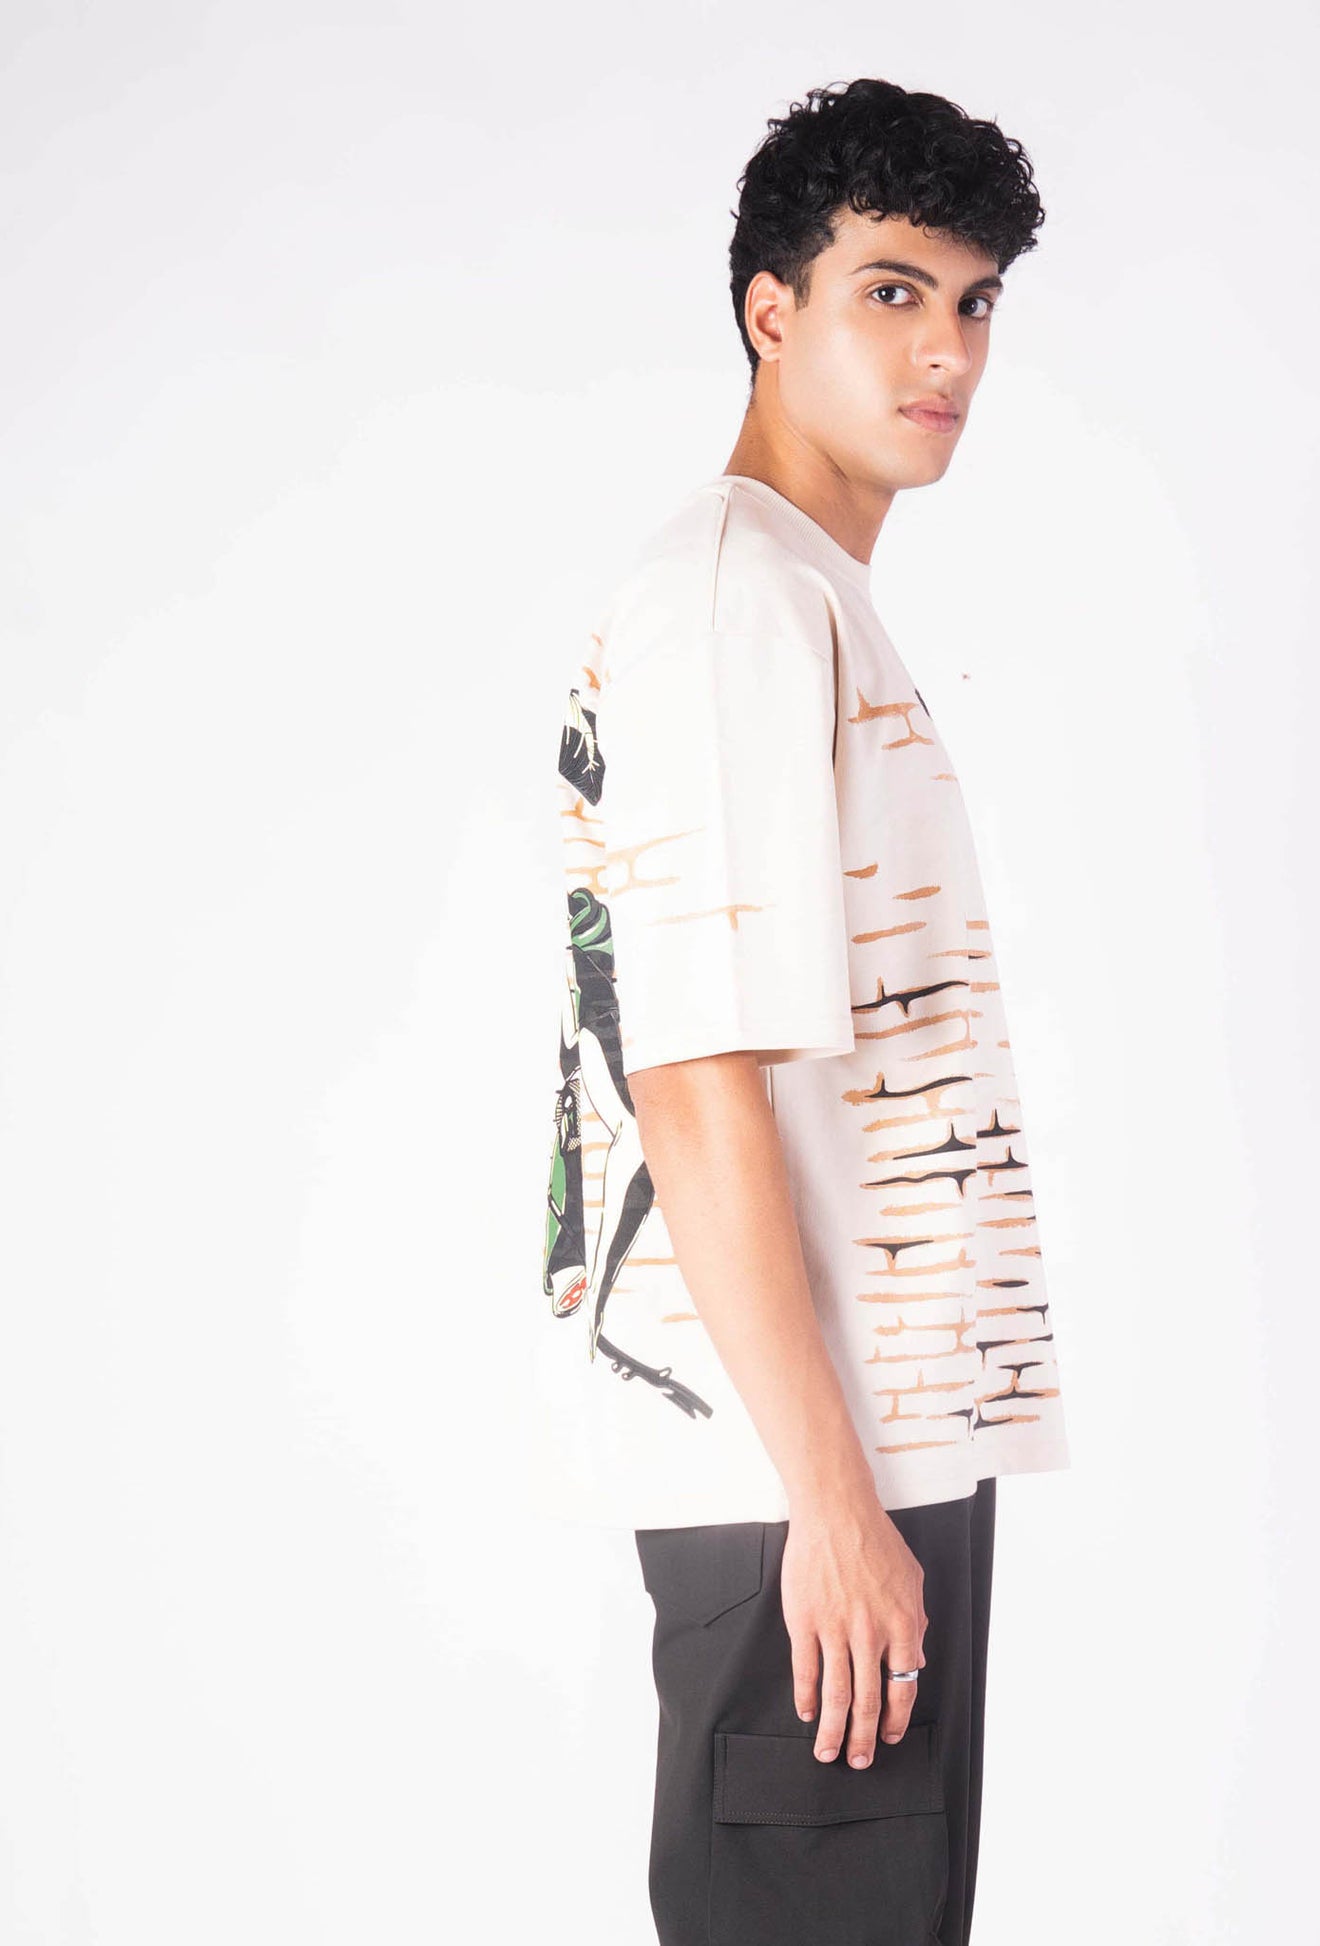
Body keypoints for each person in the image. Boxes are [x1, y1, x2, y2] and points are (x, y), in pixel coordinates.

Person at [535, 76, 1073, 1946]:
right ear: (772, 311)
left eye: (975, 302)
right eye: (892, 293)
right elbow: (692, 1073)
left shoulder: (795, 597)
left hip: (850, 1451)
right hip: (805, 1471)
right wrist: (831, 1502)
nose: (948, 352)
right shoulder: (735, 602)